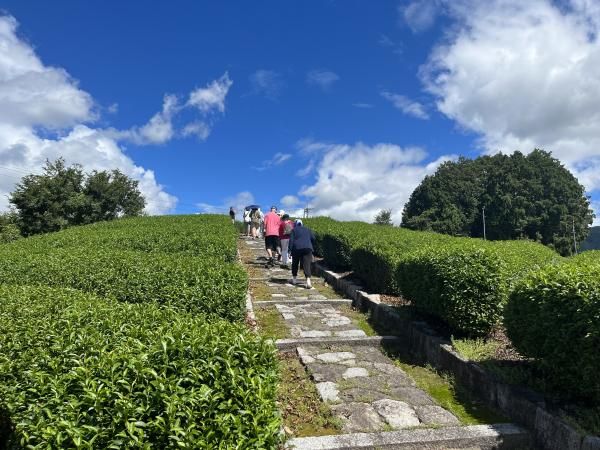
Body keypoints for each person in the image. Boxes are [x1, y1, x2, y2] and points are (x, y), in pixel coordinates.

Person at [288, 219, 315, 289]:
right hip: (307, 248)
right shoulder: (308, 229)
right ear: (302, 224)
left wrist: (289, 251)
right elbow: (313, 238)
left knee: (295, 263)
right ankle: (308, 281)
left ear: (295, 224)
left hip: (297, 248)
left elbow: (291, 241)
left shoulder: (293, 230)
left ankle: (294, 280)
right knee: (307, 264)